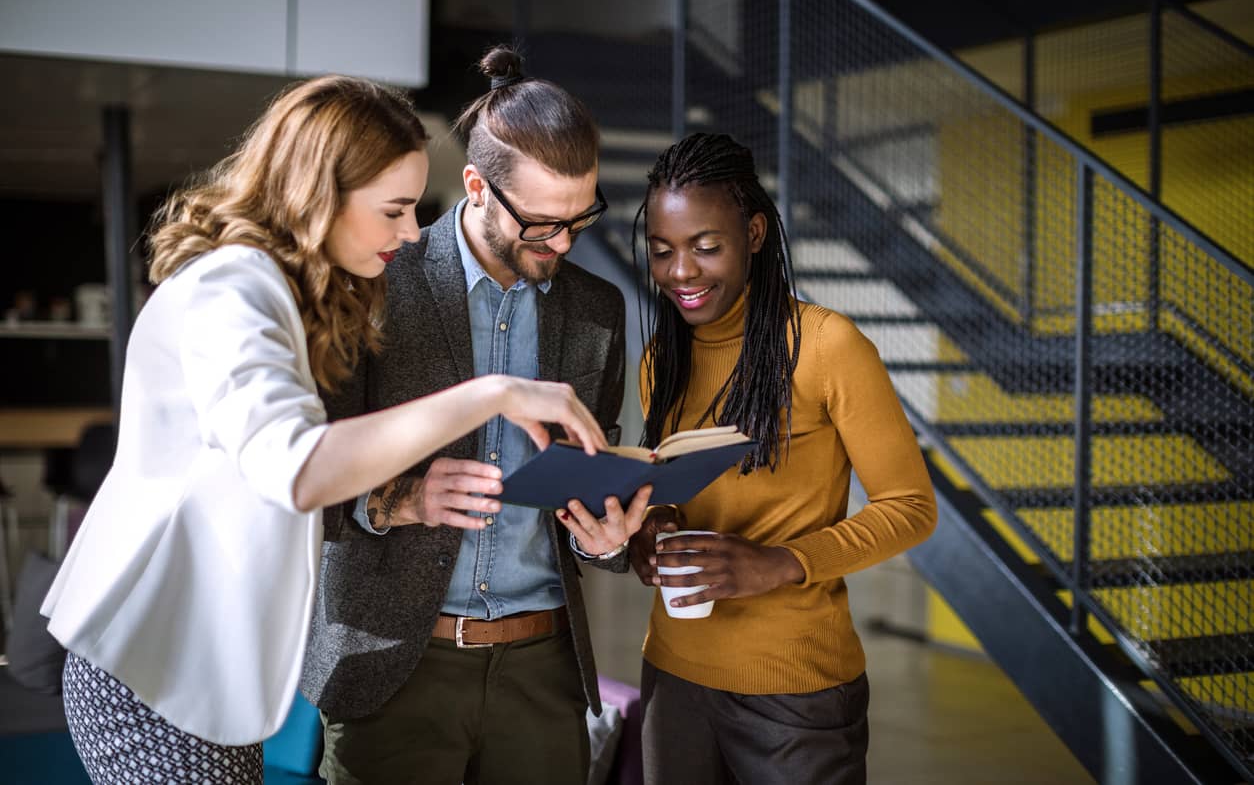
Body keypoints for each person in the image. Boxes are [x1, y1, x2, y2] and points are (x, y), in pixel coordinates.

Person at [39, 75, 608, 785]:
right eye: (394, 209)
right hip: (158, 660)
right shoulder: (232, 288)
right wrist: (491, 394)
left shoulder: (283, 293)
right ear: (321, 194)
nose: (409, 231)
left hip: (206, 662)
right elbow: (299, 469)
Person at [300, 46, 649, 785]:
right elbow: (303, 481)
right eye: (540, 224)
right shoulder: (374, 280)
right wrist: (398, 499)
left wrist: (605, 536)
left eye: (578, 221)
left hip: (543, 673)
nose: (560, 244)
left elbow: (590, 480)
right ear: (476, 187)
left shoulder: (598, 309)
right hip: (393, 663)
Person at [627, 133, 938, 785]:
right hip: (674, 672)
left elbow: (911, 510)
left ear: (756, 232)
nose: (681, 271)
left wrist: (782, 563)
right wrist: (652, 531)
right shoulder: (662, 358)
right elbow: (677, 492)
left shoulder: (827, 346)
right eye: (662, 251)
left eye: (706, 246)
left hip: (795, 688)